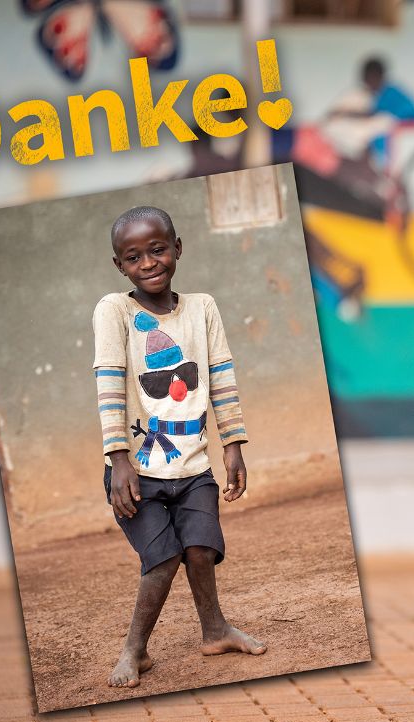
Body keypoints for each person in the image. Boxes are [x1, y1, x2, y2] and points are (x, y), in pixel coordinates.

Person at [93, 206, 266, 689]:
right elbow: (108, 385)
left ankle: (215, 631)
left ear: (178, 249)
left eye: (158, 249)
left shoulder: (203, 307)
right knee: (163, 558)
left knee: (201, 548)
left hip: (193, 467)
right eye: (134, 256)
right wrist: (119, 459)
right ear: (120, 266)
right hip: (136, 472)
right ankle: (135, 651)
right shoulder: (115, 311)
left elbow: (223, 377)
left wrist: (233, 442)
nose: (148, 262)